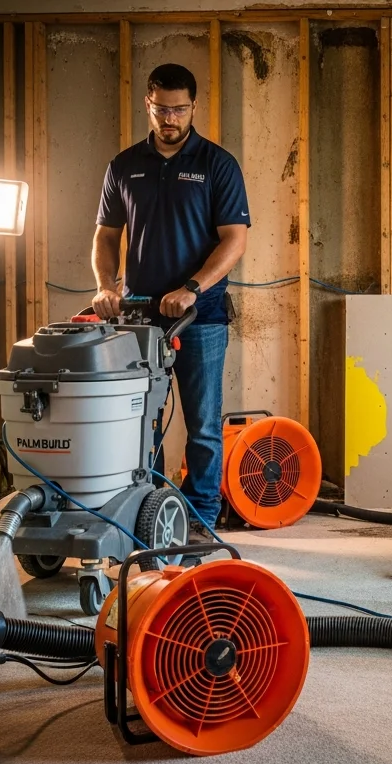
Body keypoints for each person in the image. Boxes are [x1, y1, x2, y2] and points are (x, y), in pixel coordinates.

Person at [90, 63, 250, 532]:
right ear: (148, 104)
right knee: (142, 421)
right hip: (139, 319)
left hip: (201, 317)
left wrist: (192, 288)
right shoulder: (124, 166)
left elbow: (235, 240)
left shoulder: (217, 164)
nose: (170, 119)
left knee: (203, 425)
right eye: (162, 109)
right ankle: (148, 512)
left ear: (193, 107)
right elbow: (105, 236)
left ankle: (200, 518)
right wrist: (106, 285)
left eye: (179, 109)